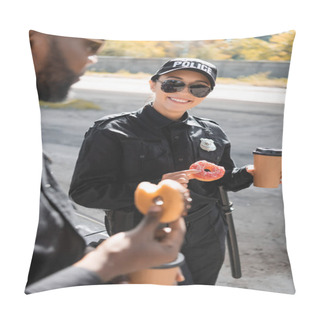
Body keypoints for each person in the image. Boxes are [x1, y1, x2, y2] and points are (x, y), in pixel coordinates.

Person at [25, 31, 188, 294]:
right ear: (34, 37)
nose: (92, 60)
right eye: (89, 45)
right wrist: (110, 260)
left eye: (199, 87)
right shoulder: (111, 129)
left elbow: (41, 241)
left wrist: (96, 254)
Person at [69, 57, 255, 285]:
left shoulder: (212, 131)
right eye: (173, 84)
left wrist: (249, 172)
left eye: (198, 87)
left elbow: (222, 180)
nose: (184, 92)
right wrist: (155, 186)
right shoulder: (112, 131)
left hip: (206, 234)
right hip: (141, 232)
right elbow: (85, 192)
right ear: (153, 84)